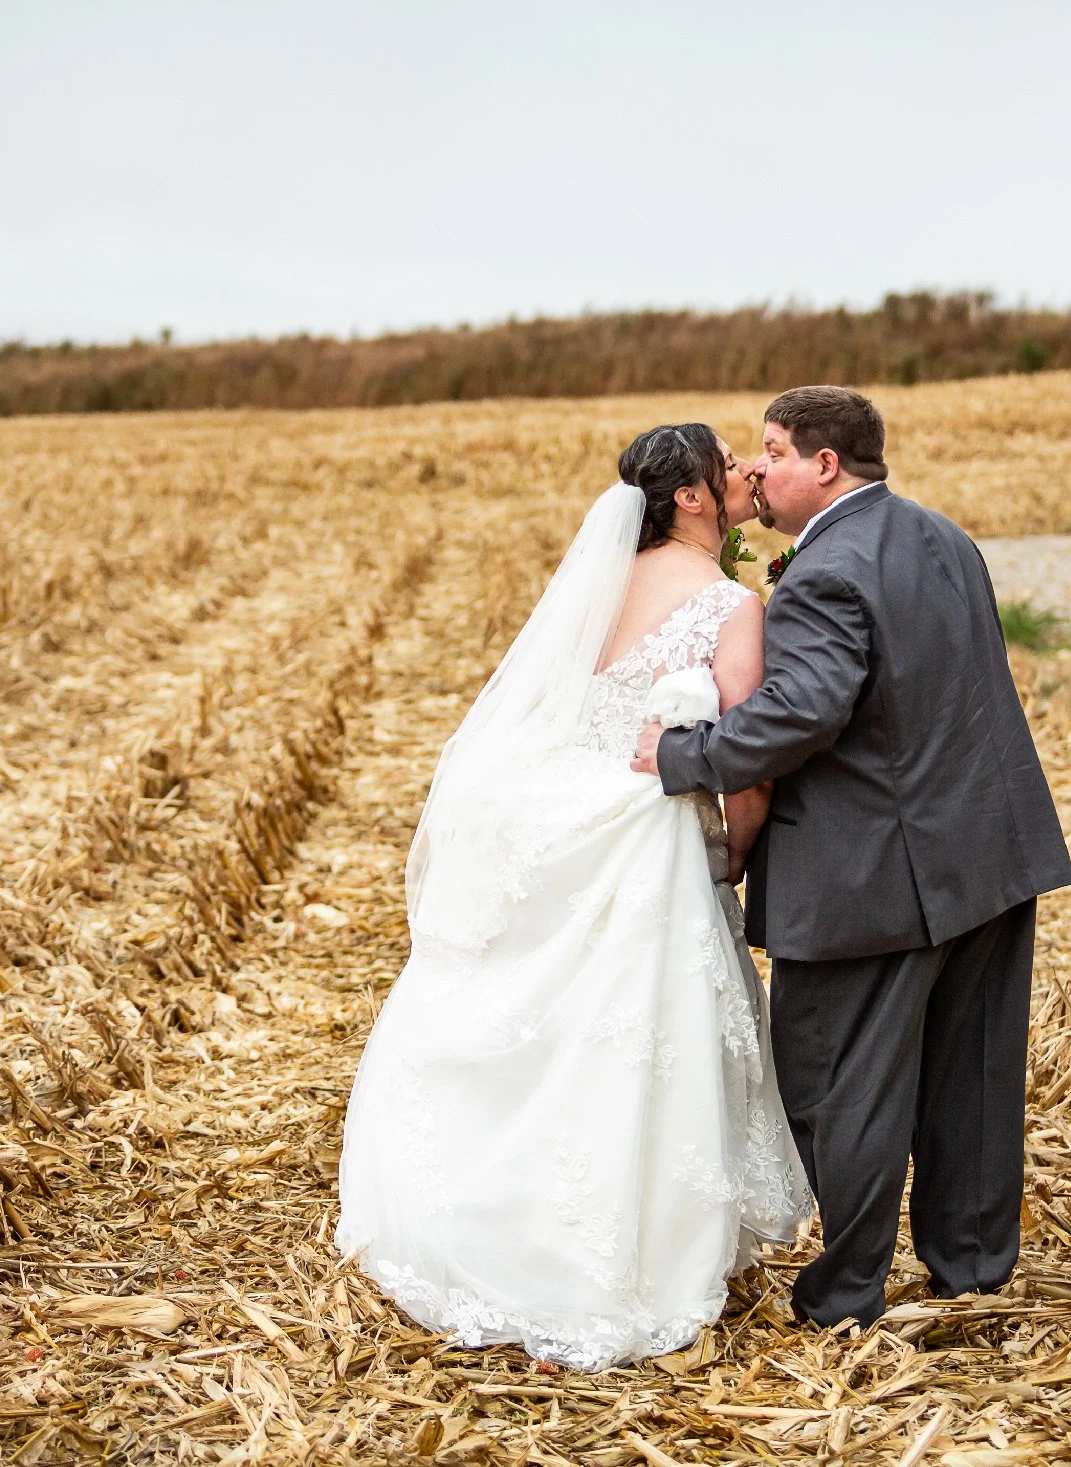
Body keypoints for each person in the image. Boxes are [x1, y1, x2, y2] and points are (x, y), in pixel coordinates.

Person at [337, 424, 810, 1370]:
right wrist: (734, 855)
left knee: (548, 1034)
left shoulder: (594, 593)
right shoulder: (730, 605)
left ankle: (501, 1217)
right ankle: (619, 1249)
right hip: (649, 836)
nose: (745, 473)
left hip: (564, 820)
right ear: (691, 497)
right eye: (729, 464)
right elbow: (749, 768)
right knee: (628, 1043)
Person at [634, 386, 1071, 1330]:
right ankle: (970, 1270)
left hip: (876, 876)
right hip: (989, 854)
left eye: (774, 449)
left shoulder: (829, 569)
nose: (757, 468)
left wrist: (686, 757)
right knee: (973, 1076)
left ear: (825, 465)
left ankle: (845, 1291)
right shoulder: (942, 536)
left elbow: (804, 709)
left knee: (838, 1083)